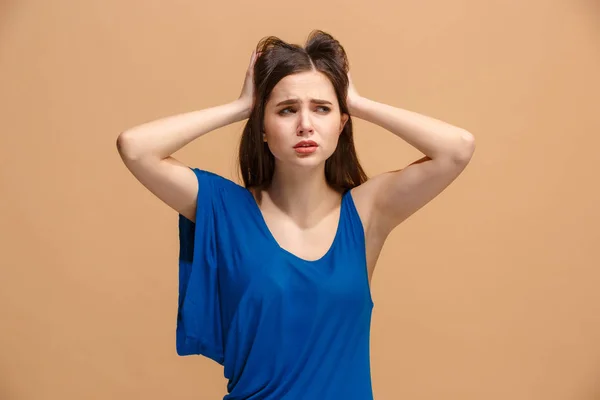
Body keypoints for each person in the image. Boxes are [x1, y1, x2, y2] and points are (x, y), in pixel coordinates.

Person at [117, 30, 475, 400]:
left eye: (322, 108)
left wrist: (357, 101)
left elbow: (457, 149)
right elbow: (136, 148)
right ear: (263, 127)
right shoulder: (226, 208)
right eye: (287, 110)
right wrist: (240, 107)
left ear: (342, 122)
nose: (305, 124)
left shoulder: (368, 211)